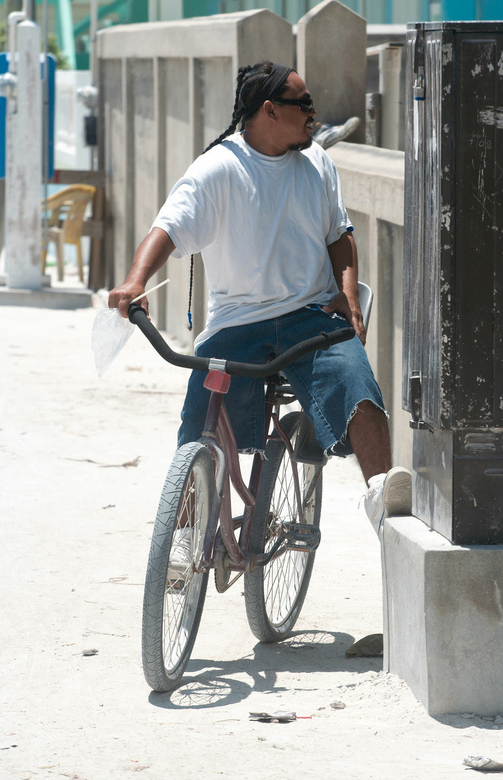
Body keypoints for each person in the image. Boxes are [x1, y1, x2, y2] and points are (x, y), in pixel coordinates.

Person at [108, 61, 411, 534]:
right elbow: (167, 226)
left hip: (310, 316)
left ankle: (382, 504)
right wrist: (135, 281)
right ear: (269, 111)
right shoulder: (218, 169)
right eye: (303, 105)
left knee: (359, 387)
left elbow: (340, 233)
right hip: (236, 323)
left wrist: (348, 293)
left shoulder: (316, 162)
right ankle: (184, 540)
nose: (314, 114)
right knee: (199, 432)